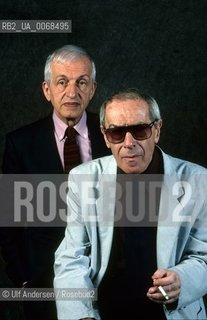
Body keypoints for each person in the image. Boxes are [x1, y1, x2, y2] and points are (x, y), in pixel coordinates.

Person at [54, 88, 207, 319]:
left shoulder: (198, 180)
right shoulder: (82, 178)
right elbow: (71, 257)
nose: (129, 143)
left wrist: (183, 280)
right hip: (104, 312)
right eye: (117, 133)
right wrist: (80, 314)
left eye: (140, 130)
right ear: (105, 136)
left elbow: (204, 255)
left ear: (156, 130)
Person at [0, 44, 110, 320]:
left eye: (81, 82)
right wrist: (23, 278)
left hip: (107, 277)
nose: (72, 92)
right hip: (42, 281)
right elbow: (9, 218)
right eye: (62, 82)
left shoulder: (115, 137)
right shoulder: (20, 143)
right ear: (47, 90)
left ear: (93, 89)